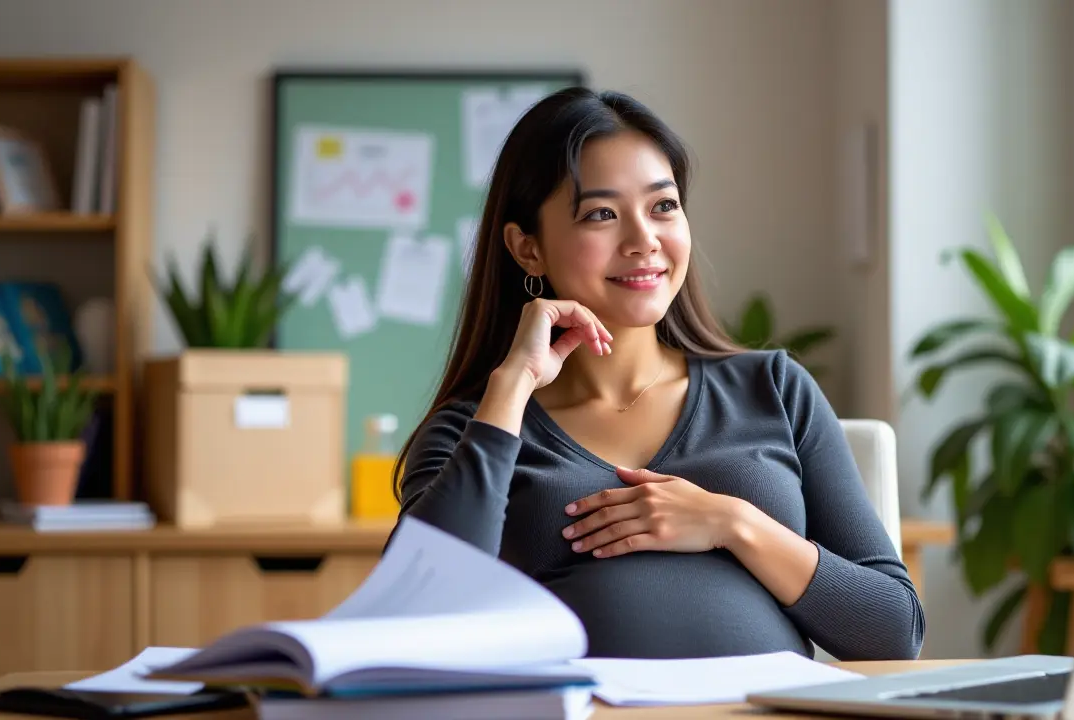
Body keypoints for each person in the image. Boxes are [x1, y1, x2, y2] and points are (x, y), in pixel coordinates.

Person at [393, 87, 924, 661]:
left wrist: (731, 522)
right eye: (601, 214)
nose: (644, 241)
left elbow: (892, 632)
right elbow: (421, 618)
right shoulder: (473, 428)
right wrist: (511, 386)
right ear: (527, 249)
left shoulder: (775, 388)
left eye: (662, 206)